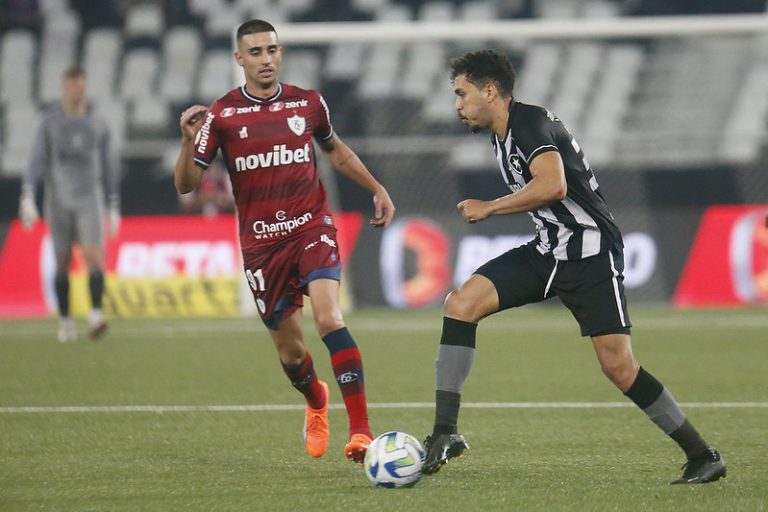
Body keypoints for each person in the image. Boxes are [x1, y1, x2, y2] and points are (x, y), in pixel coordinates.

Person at [421, 49, 726, 485]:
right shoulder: (502, 133)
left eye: (461, 93)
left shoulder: (528, 124)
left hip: (590, 253)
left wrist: (490, 208)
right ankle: (445, 433)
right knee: (460, 304)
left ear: (490, 91)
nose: (456, 105)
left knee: (618, 366)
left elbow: (553, 184)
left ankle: (703, 455)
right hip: (549, 250)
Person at [174, 19, 395, 463]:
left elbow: (335, 151)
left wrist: (376, 187)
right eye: (255, 52)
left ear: (280, 52)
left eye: (271, 50)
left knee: (329, 318)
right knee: (293, 355)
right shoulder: (221, 116)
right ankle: (316, 400)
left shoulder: (309, 103)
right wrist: (186, 142)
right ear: (239, 59)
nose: (265, 59)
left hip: (310, 227)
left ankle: (362, 433)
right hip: (261, 246)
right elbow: (186, 185)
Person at [18, 65, 120, 343]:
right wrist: (28, 194)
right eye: (72, 85)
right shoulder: (49, 123)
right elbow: (36, 160)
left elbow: (108, 167)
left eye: (81, 85)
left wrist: (113, 204)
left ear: (85, 87)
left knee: (92, 255)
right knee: (62, 260)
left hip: (90, 199)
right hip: (58, 200)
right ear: (65, 87)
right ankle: (65, 320)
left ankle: (96, 314)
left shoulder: (97, 125)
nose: (77, 90)